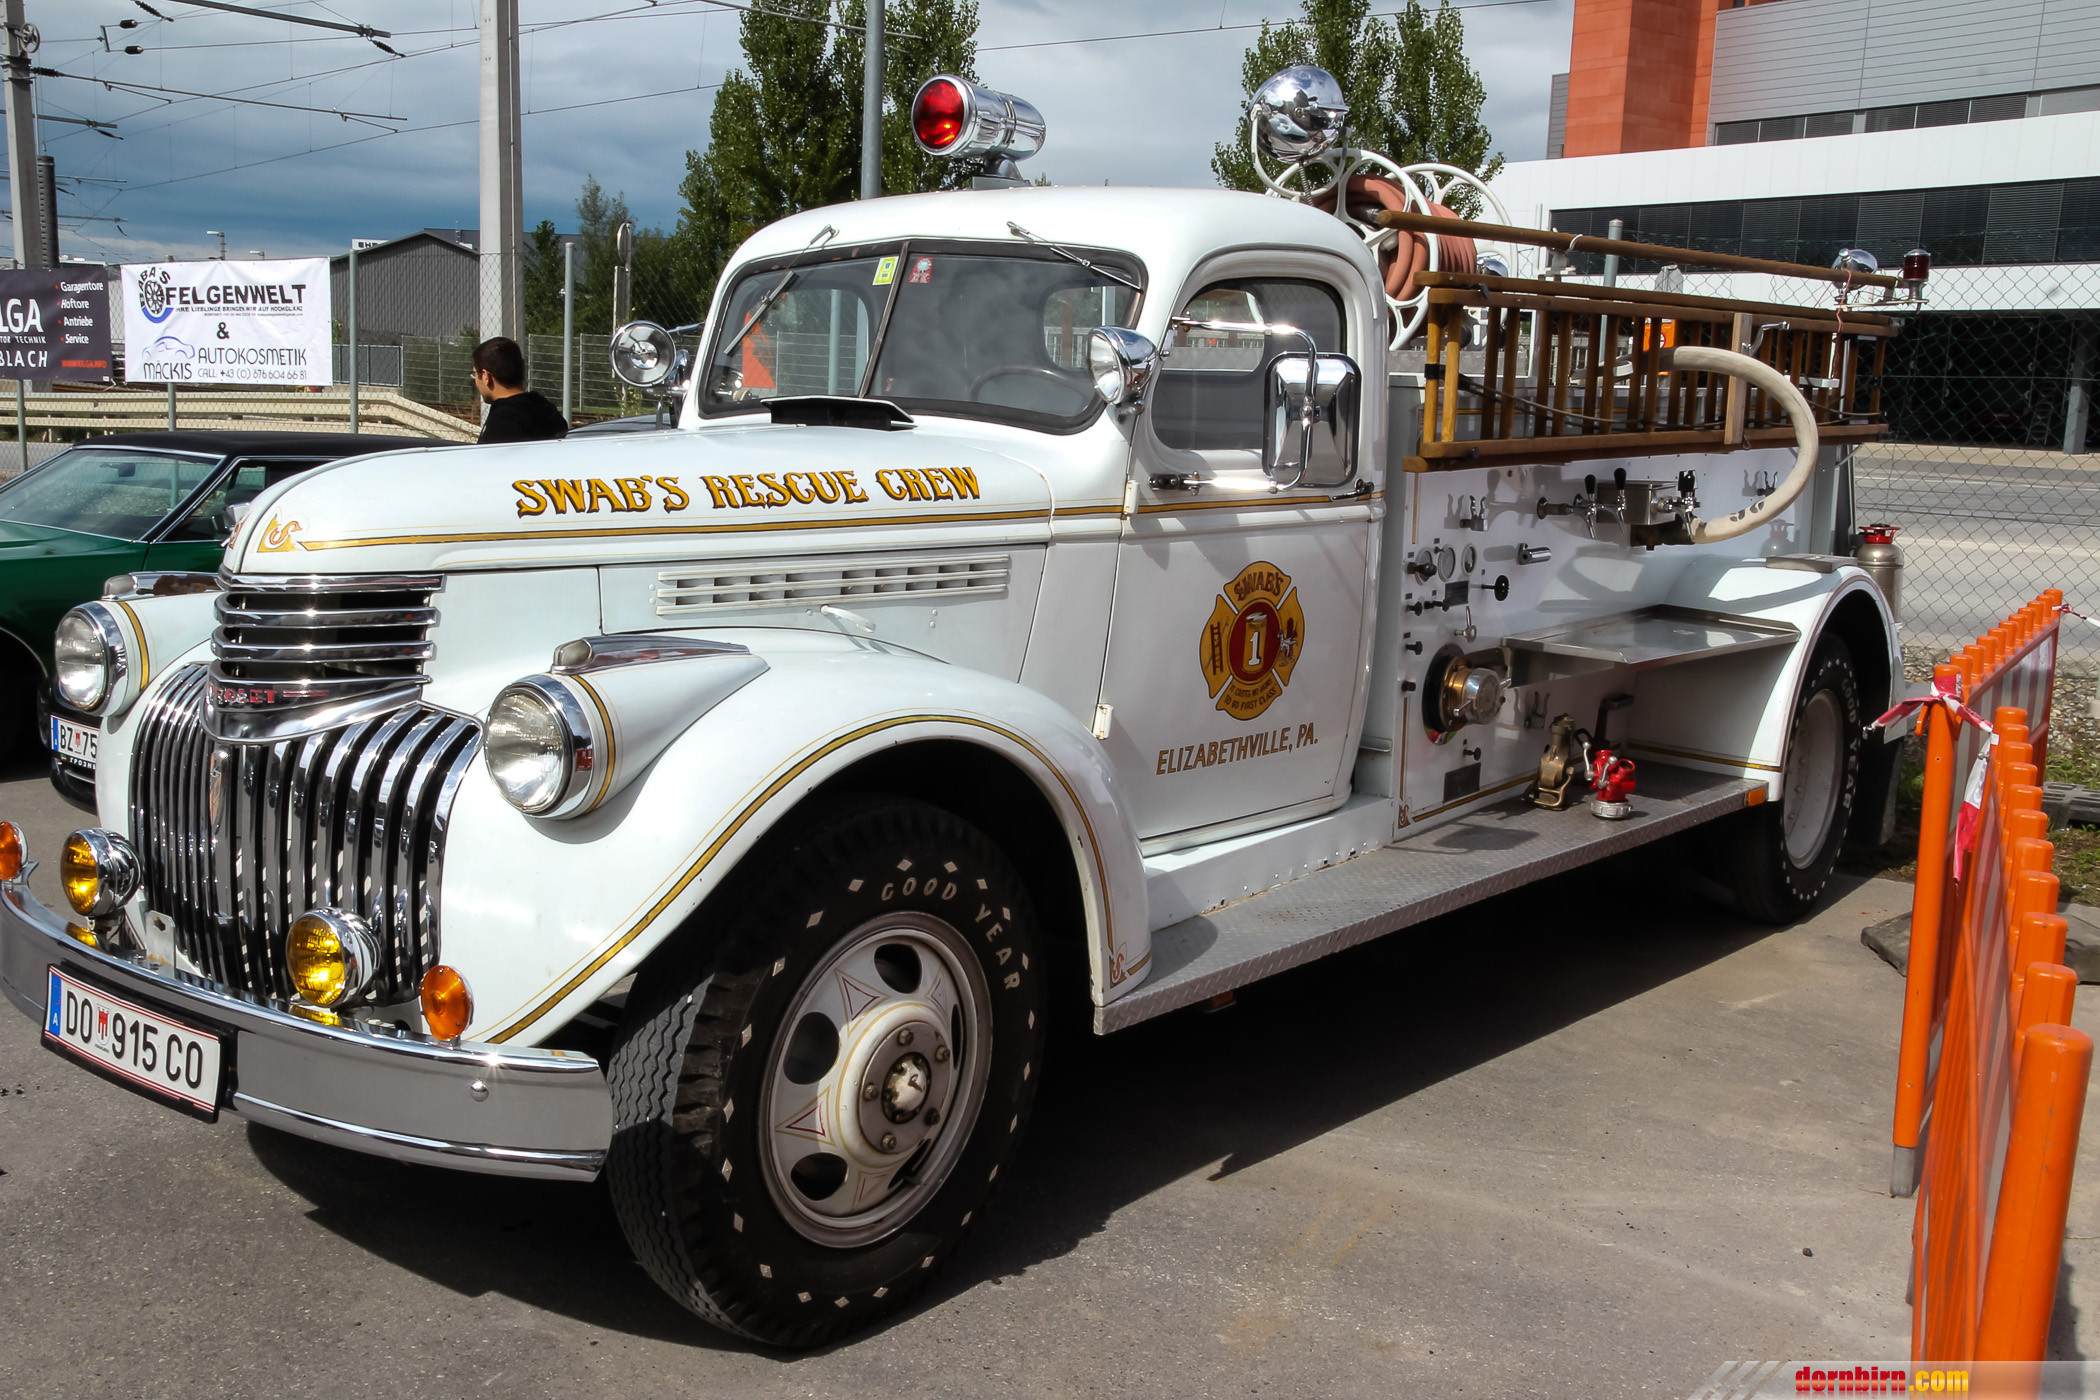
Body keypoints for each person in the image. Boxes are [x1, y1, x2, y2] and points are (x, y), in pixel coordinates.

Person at [472, 336, 570, 444]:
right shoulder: (546, 408)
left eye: (475, 373)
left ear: (486, 376)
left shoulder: (502, 423)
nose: (475, 381)